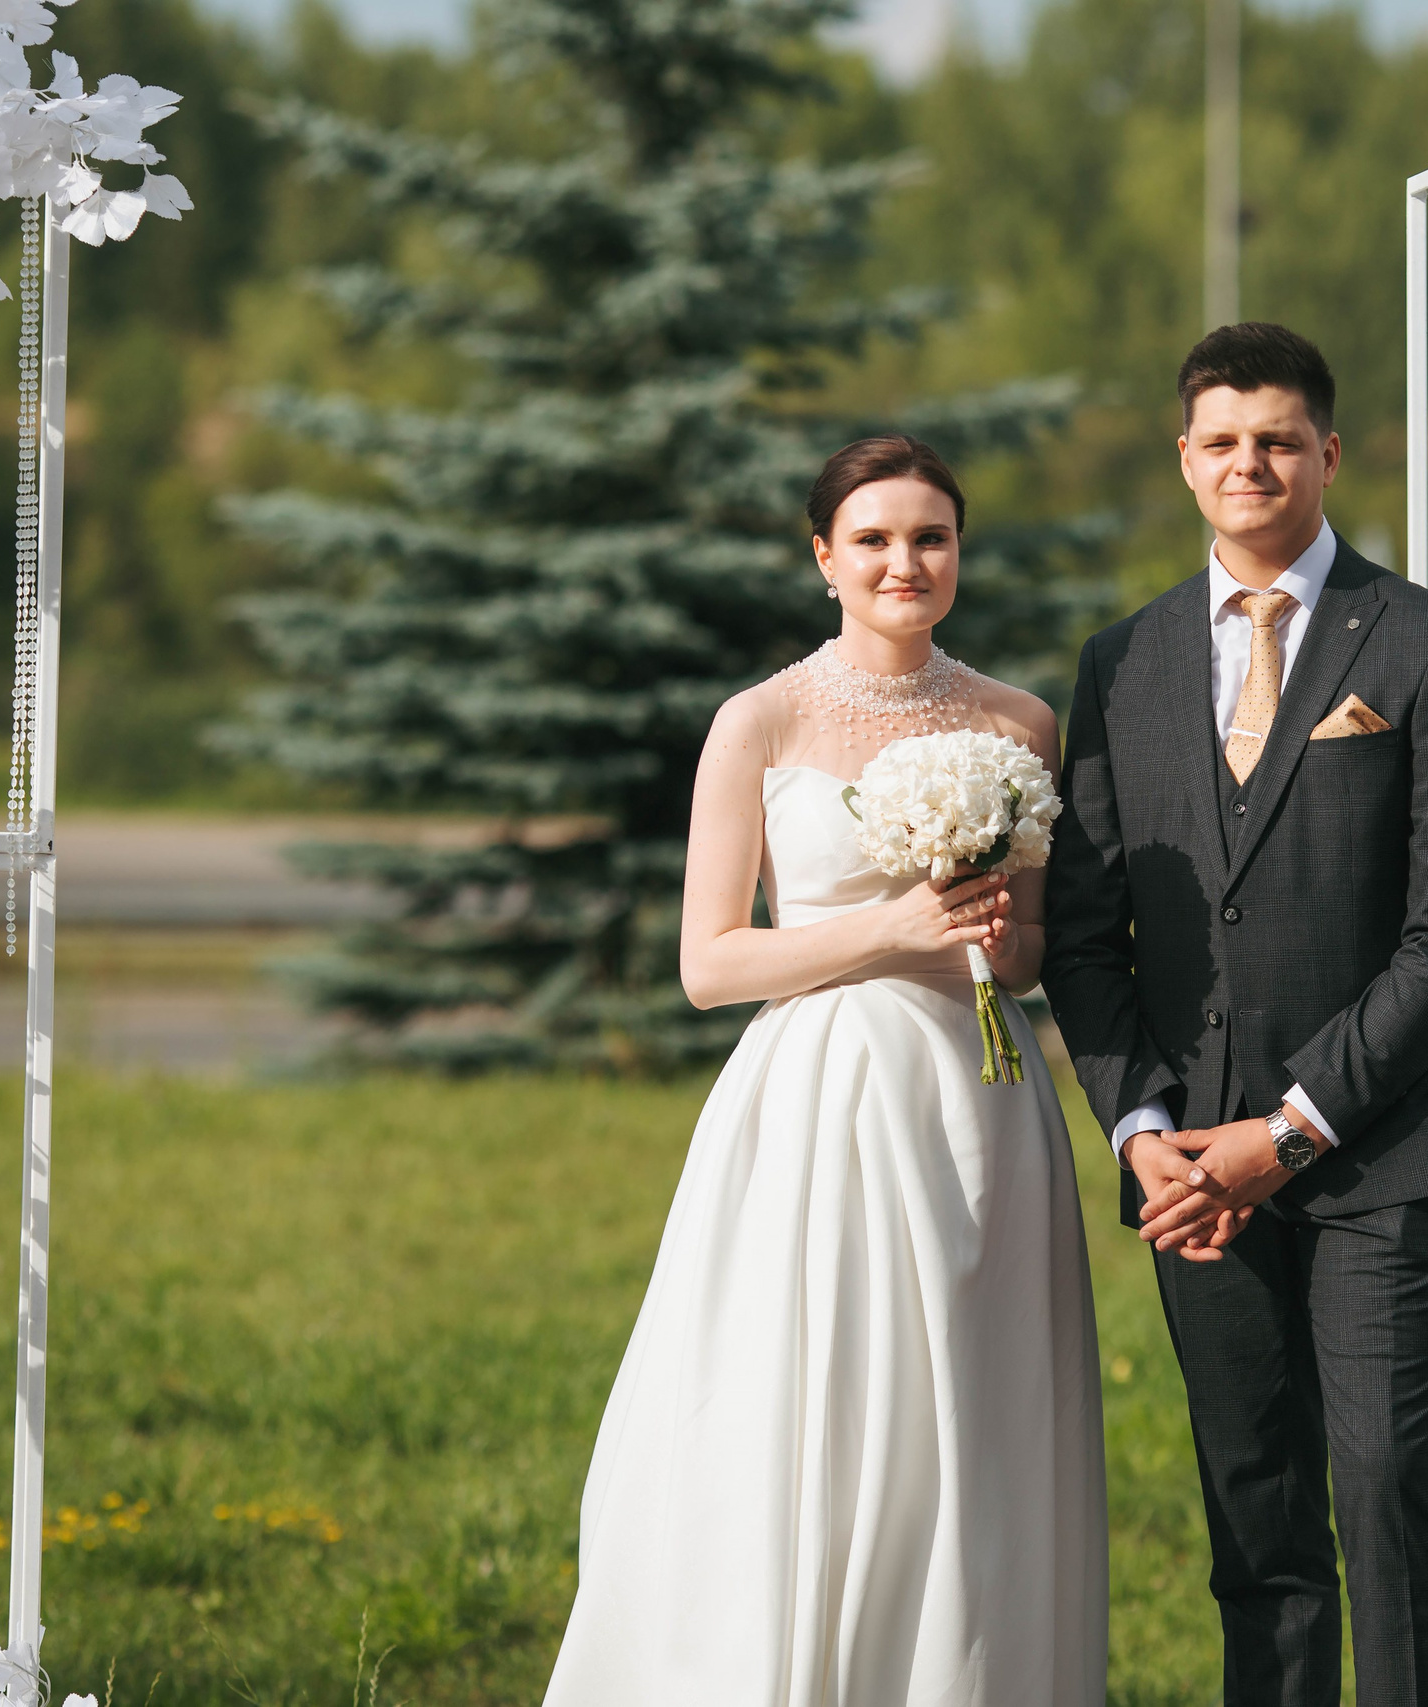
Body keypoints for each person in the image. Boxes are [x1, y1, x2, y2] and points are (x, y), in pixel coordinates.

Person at [542, 435, 1108, 1705]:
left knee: (970, 1407)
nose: (905, 562)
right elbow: (709, 963)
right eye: (874, 540)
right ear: (823, 558)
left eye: (930, 537)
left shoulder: (1017, 721)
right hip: (818, 1103)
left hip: (980, 1107)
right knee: (814, 1397)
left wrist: (988, 929)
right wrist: (892, 927)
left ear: (957, 551)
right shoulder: (759, 721)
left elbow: (1025, 956)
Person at [1044, 323, 1428, 1707]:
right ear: (1185, 459)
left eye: (1276, 439)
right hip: (1190, 1170)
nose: (1247, 462)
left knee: (1384, 1479)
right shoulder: (1120, 663)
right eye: (1221, 441)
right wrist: (1144, 1133)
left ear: (1327, 451)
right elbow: (1086, 934)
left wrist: (1294, 1127)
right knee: (1254, 1512)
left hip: (1377, 1152)